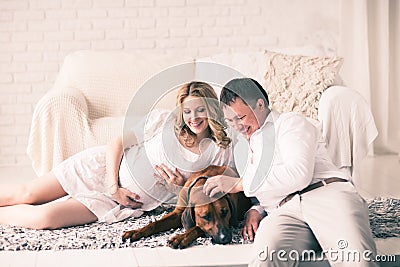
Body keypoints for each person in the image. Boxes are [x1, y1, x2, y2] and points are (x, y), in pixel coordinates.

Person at [0, 81, 235, 229]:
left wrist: (181, 187)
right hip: (100, 170)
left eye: (200, 110)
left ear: (211, 109)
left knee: (45, 219)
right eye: (187, 111)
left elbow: (199, 200)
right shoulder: (163, 121)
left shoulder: (219, 151)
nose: (193, 118)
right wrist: (114, 186)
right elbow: (117, 143)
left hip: (120, 204)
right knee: (27, 193)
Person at [203, 78, 378, 266]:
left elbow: (298, 174)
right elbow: (269, 185)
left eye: (240, 117)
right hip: (282, 211)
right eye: (230, 121)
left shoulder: (290, 123)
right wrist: (257, 209)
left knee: (357, 260)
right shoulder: (249, 144)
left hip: (324, 195)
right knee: (265, 259)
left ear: (260, 104)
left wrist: (239, 184)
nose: (236, 126)